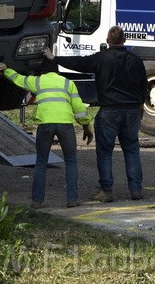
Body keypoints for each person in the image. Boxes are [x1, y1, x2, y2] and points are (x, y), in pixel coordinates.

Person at [49, 26, 148, 202]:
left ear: (108, 40)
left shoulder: (101, 58)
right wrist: (140, 105)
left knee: (104, 151)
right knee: (132, 150)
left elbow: (78, 63)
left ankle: (106, 191)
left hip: (109, 111)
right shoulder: (136, 60)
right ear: (124, 40)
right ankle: (136, 190)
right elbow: (143, 85)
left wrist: (54, 58)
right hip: (132, 110)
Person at [0, 58, 93, 208]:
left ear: (42, 71)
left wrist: (5, 70)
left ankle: (37, 201)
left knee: (41, 162)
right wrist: (86, 126)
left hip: (45, 125)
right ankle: (72, 200)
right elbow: (79, 108)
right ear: (57, 70)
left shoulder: (37, 81)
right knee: (71, 162)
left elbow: (18, 79)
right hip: (65, 125)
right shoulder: (68, 83)